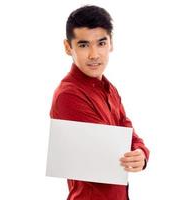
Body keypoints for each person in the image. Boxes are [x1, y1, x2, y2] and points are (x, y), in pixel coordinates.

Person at [50, 5, 150, 200]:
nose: (94, 54)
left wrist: (141, 152)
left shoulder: (109, 88)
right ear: (68, 47)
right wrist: (129, 148)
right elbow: (110, 153)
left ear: (111, 44)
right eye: (84, 44)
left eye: (101, 43)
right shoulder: (68, 95)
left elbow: (127, 129)